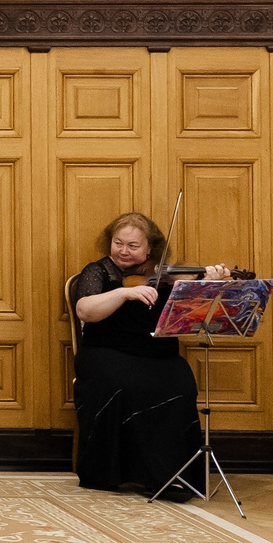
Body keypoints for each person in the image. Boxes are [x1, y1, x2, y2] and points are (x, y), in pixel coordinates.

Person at [70, 214, 231, 500]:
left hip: (159, 357)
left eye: (133, 245)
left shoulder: (167, 276)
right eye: (118, 243)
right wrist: (124, 293)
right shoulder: (99, 271)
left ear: (150, 249)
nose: (123, 250)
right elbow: (85, 310)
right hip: (106, 354)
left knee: (179, 383)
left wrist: (211, 283)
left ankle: (174, 474)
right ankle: (123, 471)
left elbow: (200, 315)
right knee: (126, 383)